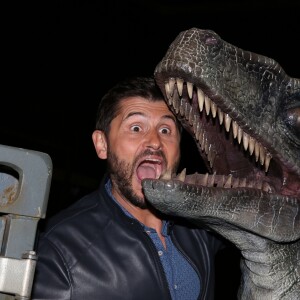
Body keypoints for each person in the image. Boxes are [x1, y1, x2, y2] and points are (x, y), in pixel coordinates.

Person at [31, 76, 225, 300]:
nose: (154, 141)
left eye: (165, 130)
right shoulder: (59, 249)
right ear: (102, 145)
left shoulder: (201, 227)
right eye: (136, 128)